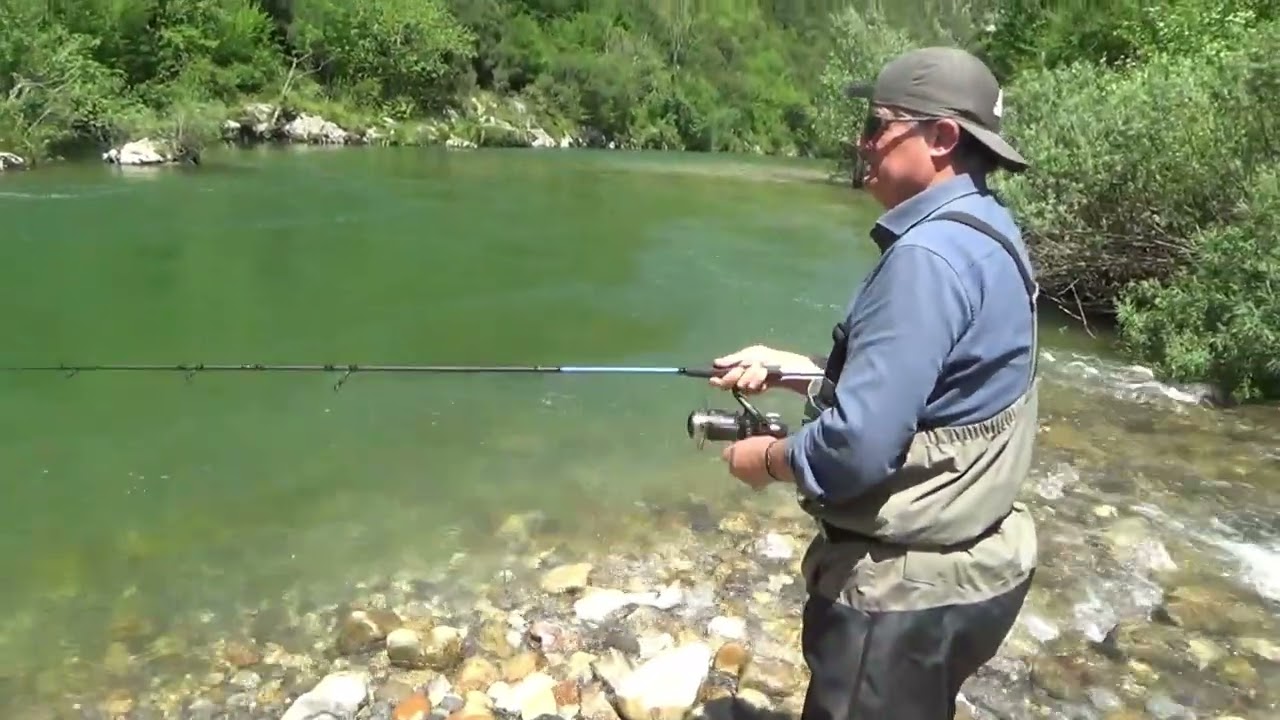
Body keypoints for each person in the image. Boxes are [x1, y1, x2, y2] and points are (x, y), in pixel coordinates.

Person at [709, 46, 1040, 719]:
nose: (862, 141)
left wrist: (765, 460)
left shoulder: (926, 259)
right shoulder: (991, 231)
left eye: (877, 124)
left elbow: (857, 451)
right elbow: (944, 396)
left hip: (904, 596)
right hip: (978, 565)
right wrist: (800, 372)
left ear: (943, 137)